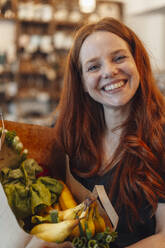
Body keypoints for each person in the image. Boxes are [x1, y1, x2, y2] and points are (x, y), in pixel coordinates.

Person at [53, 17, 165, 248]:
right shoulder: (70, 141)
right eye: (94, 66)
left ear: (137, 63)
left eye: (119, 58)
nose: (110, 71)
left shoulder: (160, 137)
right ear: (82, 82)